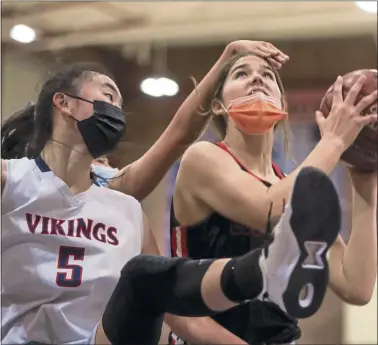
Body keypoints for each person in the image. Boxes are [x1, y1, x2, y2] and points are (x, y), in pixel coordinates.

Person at [0, 61, 341, 345]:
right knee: (142, 273)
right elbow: (179, 135)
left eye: (119, 104)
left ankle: (267, 267)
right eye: (107, 95)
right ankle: (264, 265)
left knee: (144, 276)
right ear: (65, 103)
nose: (115, 110)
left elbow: (179, 314)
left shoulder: (123, 205)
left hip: (99, 339)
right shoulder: (13, 180)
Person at [168, 52, 378, 345]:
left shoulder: (291, 187)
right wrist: (334, 141)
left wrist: (365, 184)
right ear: (218, 106)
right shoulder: (203, 158)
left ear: (283, 104)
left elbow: (356, 285)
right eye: (241, 74)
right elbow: (266, 209)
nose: (257, 78)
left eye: (268, 75)